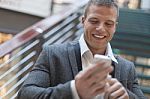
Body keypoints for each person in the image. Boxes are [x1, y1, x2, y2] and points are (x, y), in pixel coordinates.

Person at [17, 0, 145, 99]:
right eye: (94, 21)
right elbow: (25, 94)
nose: (101, 28)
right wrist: (74, 90)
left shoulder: (127, 68)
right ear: (83, 21)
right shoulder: (52, 54)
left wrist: (128, 96)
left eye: (108, 24)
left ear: (115, 27)